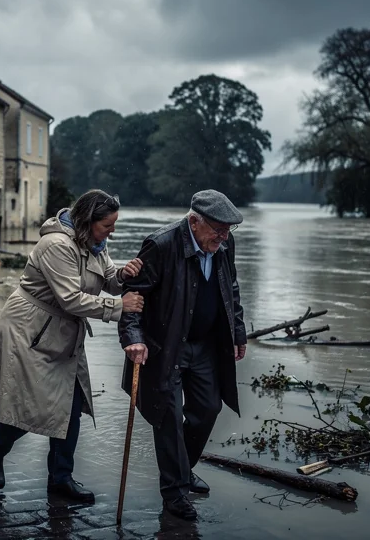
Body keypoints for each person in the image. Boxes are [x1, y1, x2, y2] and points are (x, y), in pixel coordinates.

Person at [0, 189, 145, 503]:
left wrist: (123, 274)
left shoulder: (93, 242)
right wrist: (119, 306)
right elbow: (70, 298)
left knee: (71, 405)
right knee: (33, 406)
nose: (112, 231)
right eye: (108, 225)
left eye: (113, 225)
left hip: (64, 332)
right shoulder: (55, 245)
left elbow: (107, 276)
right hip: (31, 331)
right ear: (87, 220)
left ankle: (60, 479)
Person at [119, 189, 248, 521]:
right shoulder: (161, 245)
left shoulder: (222, 245)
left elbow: (230, 288)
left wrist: (238, 331)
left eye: (228, 230)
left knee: (208, 408)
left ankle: (183, 469)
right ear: (194, 221)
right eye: (218, 229)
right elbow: (133, 298)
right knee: (168, 416)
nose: (223, 236)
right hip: (166, 347)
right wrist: (133, 338)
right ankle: (175, 494)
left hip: (205, 344)